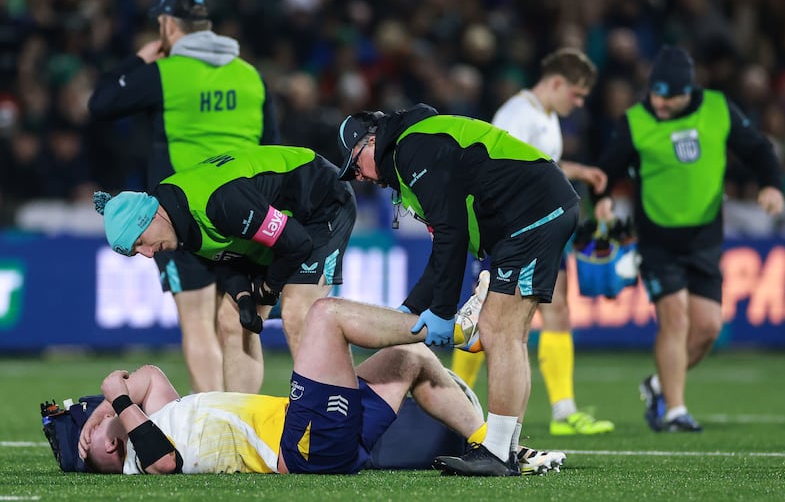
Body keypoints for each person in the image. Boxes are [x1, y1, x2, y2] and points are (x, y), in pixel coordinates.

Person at [75, 283, 566, 475]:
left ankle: (495, 449)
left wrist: (105, 406)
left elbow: (146, 376)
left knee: (408, 358)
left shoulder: (157, 415)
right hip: (302, 445)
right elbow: (162, 461)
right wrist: (114, 399)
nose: (92, 430)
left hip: (320, 439)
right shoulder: (144, 453)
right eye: (93, 438)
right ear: (112, 453)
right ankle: (457, 328)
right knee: (325, 315)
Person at [336, 103, 580, 476]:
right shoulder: (414, 149)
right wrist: (410, 309)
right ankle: (504, 449)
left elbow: (452, 234)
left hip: (531, 214)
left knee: (500, 333)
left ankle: (497, 454)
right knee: (506, 334)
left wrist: (443, 312)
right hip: (534, 211)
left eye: (355, 164)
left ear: (371, 140)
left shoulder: (412, 149)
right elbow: (445, 248)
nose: (358, 176)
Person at [88, 0, 281, 393]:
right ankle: (240, 420)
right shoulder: (250, 75)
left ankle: (210, 424)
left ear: (168, 25)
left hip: (180, 218)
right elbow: (273, 147)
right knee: (236, 319)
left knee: (197, 323)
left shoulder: (164, 73)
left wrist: (141, 57)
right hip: (245, 213)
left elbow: (101, 103)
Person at [593, 45, 785, 432]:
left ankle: (658, 385)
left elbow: (758, 149)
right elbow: (607, 167)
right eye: (657, 95)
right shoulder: (635, 121)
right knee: (675, 319)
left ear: (689, 90)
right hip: (657, 239)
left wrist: (770, 185)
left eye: (670, 97)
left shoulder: (717, 108)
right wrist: (601, 198)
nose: (661, 104)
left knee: (709, 328)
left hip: (705, 237)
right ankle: (675, 411)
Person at [451, 48, 614, 436]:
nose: (577, 104)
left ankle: (563, 410)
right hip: (513, 231)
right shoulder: (516, 116)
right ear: (556, 82)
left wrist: (580, 172)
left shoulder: (545, 116)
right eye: (575, 94)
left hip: (539, 227)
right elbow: (497, 170)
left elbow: (541, 165)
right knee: (484, 320)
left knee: (555, 310)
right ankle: (455, 401)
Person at [93, 145, 356, 363]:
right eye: (136, 252)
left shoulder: (219, 204)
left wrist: (268, 288)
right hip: (286, 224)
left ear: (148, 217)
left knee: (297, 312)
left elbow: (298, 244)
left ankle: (329, 414)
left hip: (322, 199)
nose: (148, 254)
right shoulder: (175, 217)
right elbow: (224, 259)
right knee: (231, 321)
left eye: (141, 242)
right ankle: (239, 419)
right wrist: (243, 298)